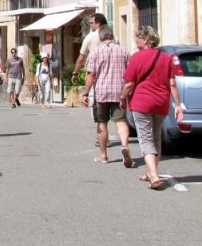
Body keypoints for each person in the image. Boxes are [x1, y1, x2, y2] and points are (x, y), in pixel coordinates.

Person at [120, 26, 185, 190]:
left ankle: (154, 176)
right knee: (156, 138)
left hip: (142, 102)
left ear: (146, 40)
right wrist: (178, 105)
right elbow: (172, 84)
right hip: (161, 102)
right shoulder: (165, 58)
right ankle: (150, 172)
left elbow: (129, 84)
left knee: (145, 139)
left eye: (138, 37)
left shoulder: (136, 57)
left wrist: (122, 98)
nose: (135, 40)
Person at [82, 25, 131, 165]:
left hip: (101, 92)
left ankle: (103, 155)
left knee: (102, 123)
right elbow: (130, 73)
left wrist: (85, 93)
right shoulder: (123, 51)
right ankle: (124, 146)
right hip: (119, 92)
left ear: (101, 37)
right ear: (112, 36)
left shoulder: (95, 52)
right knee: (121, 121)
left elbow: (91, 74)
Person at [73, 13, 108, 141]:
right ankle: (121, 142)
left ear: (98, 23)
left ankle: (101, 137)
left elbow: (81, 57)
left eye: (91, 23)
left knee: (99, 108)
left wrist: (75, 72)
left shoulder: (90, 37)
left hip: (96, 77)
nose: (90, 25)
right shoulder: (113, 37)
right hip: (112, 77)